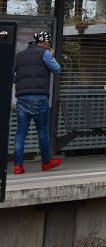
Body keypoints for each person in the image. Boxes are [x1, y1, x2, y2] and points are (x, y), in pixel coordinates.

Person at [13, 31, 63, 175]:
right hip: (39, 98)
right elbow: (57, 69)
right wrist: (51, 55)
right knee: (42, 131)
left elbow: (12, 75)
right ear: (45, 43)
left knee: (21, 133)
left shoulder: (19, 55)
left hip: (22, 98)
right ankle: (46, 162)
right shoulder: (45, 53)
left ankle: (18, 166)